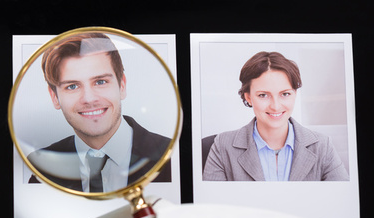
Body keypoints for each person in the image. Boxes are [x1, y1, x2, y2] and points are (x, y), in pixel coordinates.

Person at [27, 32, 172, 192]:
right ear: (54, 97)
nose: (89, 99)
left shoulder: (171, 156)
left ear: (122, 85)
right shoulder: (42, 168)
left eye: (100, 82)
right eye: (72, 86)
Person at [203, 51, 349, 181]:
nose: (276, 106)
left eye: (285, 94)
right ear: (248, 97)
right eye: (263, 95)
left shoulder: (322, 146)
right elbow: (212, 209)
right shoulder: (222, 146)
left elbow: (341, 203)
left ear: (295, 94)